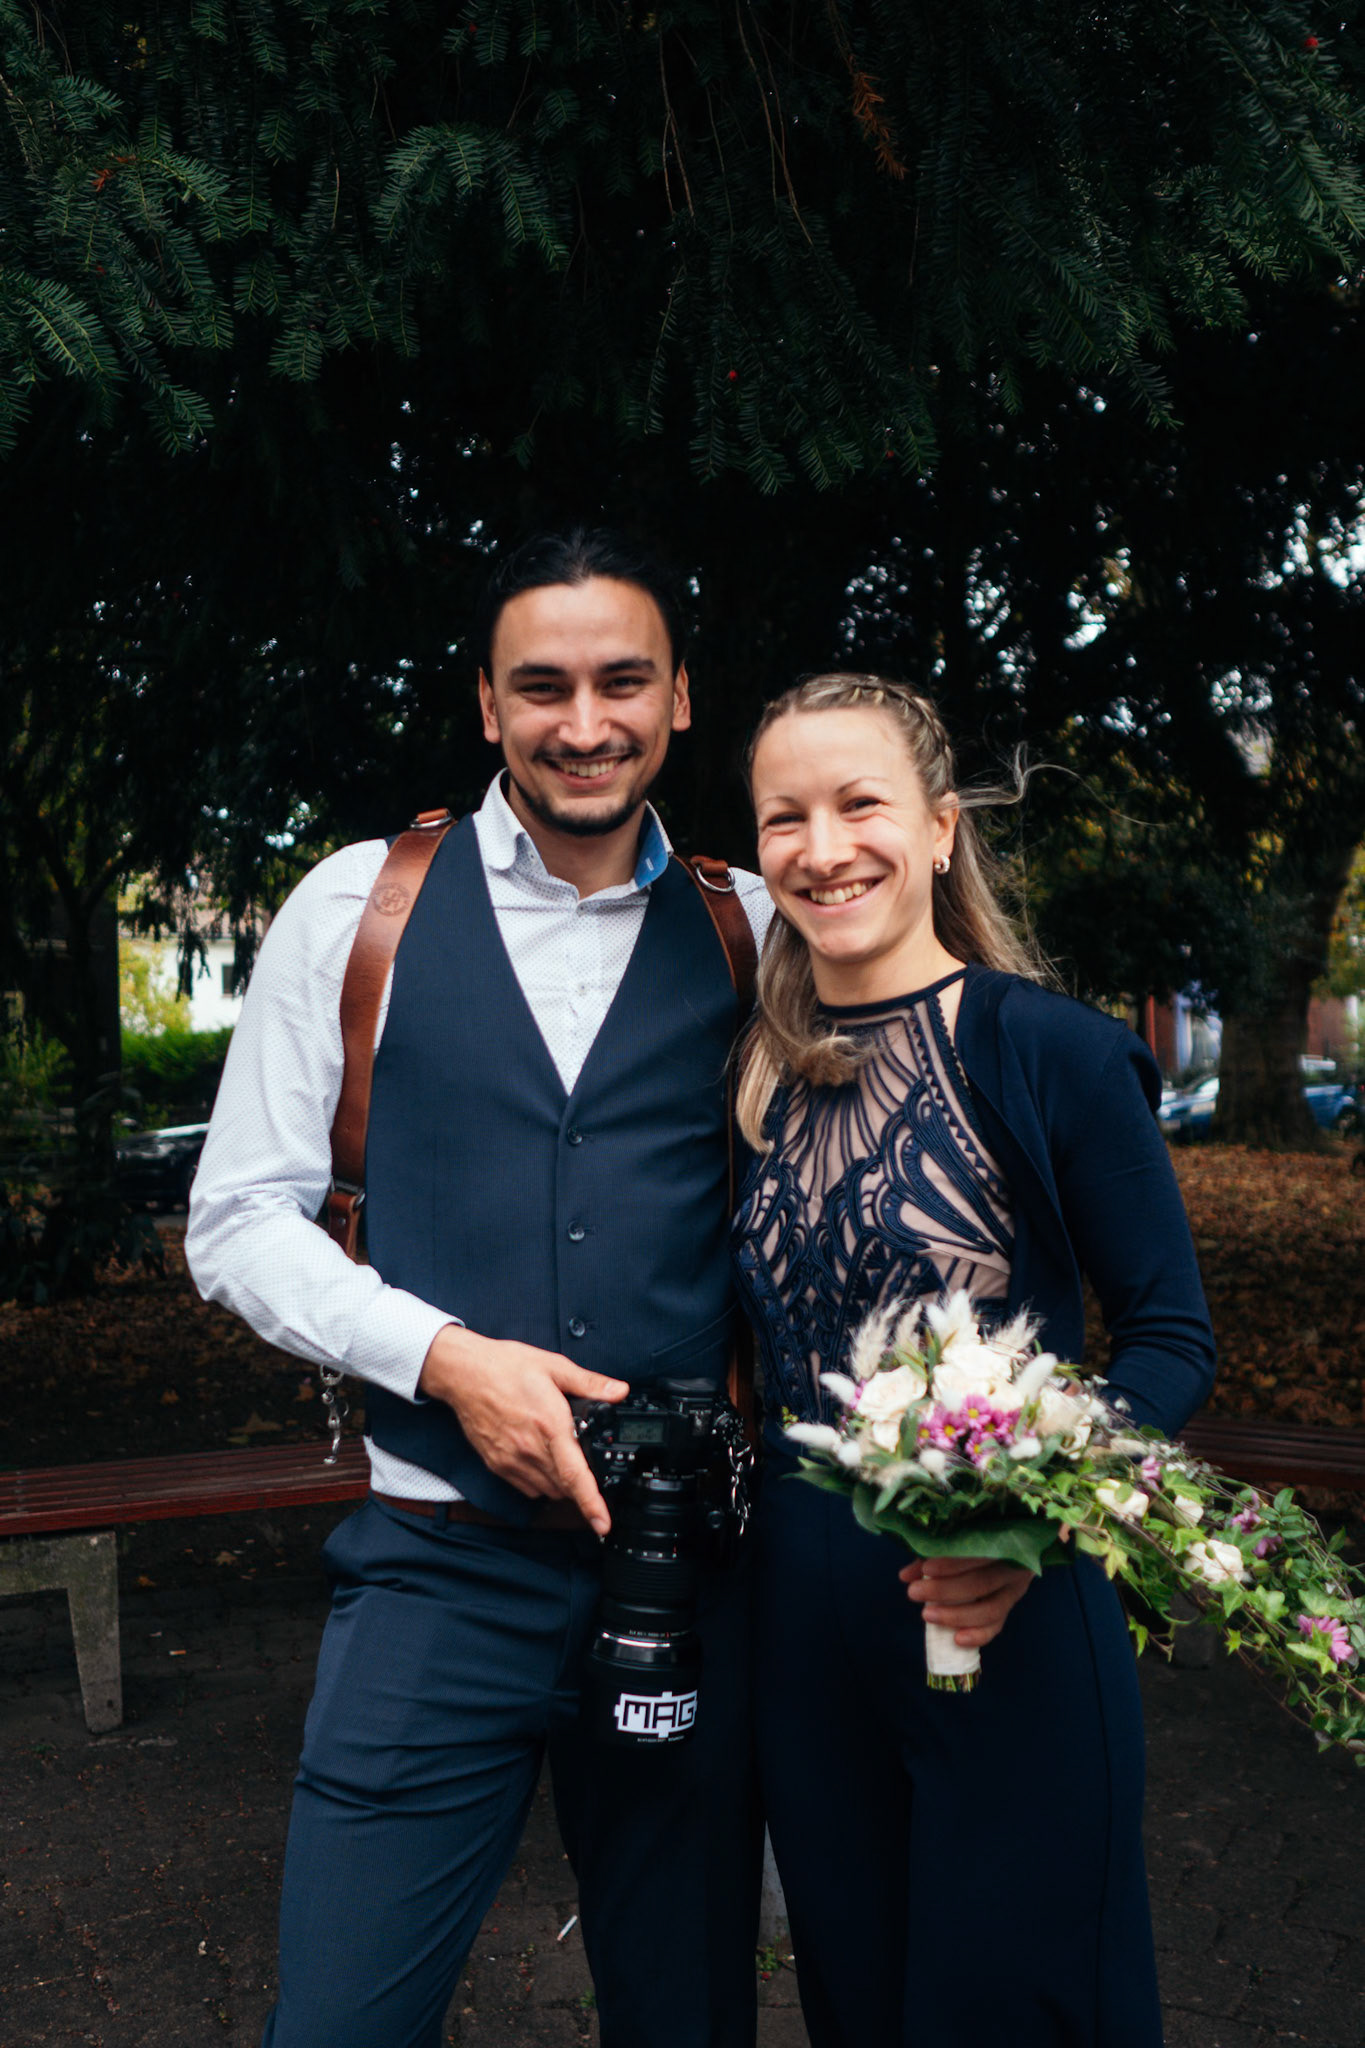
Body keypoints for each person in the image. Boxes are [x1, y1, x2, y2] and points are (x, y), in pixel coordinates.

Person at [186, 529, 771, 2048]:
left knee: (688, 2016)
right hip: (434, 1571)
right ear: (488, 703)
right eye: (543, 687)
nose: (585, 723)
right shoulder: (359, 908)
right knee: (340, 2021)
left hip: (687, 1571)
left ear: (680, 697)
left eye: (622, 681)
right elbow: (236, 1220)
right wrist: (443, 1357)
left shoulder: (755, 927)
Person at [730, 673, 1216, 2048]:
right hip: (801, 1642)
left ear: (941, 829)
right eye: (784, 818)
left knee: (1014, 2008)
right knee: (858, 2006)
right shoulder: (755, 1074)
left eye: (859, 804)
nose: (823, 849)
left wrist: (1026, 1522)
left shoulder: (1050, 1053)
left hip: (1000, 1612)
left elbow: (1172, 1335)